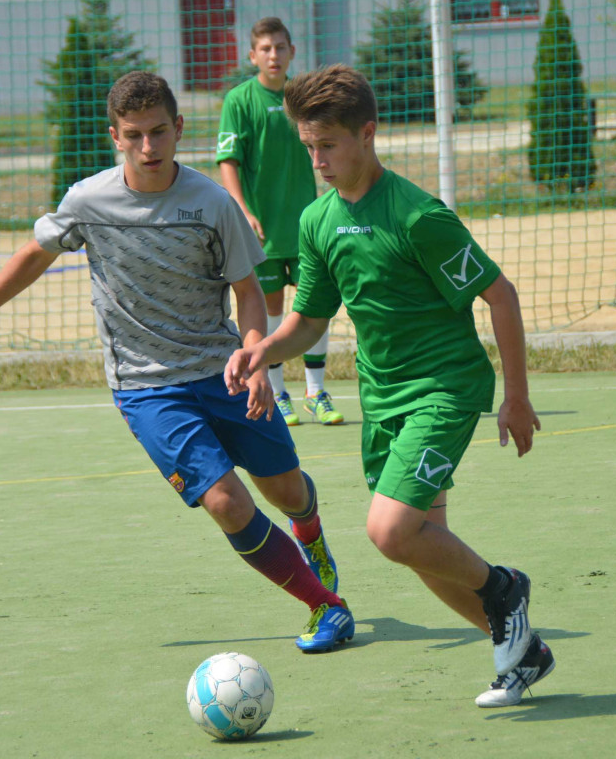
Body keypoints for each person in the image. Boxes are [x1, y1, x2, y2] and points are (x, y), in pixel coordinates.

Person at [0, 70, 354, 654]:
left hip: (221, 369)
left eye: (158, 132)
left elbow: (249, 292)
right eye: (134, 135)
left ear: (178, 128)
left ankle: (311, 532)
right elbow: (33, 254)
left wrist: (253, 358)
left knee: (288, 490)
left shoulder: (211, 202)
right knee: (226, 501)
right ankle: (325, 607)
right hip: (146, 388)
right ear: (114, 137)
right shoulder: (88, 201)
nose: (148, 147)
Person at [224, 64, 555, 706]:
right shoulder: (318, 220)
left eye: (328, 145)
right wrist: (264, 350)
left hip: (445, 389)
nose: (317, 159)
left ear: (367, 134)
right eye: (309, 146)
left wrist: (516, 396)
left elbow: (502, 296)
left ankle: (505, 588)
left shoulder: (418, 216)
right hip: (384, 401)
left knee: (389, 531)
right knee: (420, 548)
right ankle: (522, 652)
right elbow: (310, 320)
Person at [216, 17, 345, 428]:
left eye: (281, 47)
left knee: (315, 306)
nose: (274, 55)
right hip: (263, 232)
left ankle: (316, 392)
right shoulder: (240, 101)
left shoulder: (301, 100)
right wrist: (243, 210)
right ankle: (279, 391)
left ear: (292, 52)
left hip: (306, 227)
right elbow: (228, 162)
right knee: (271, 307)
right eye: (266, 49)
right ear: (253, 55)